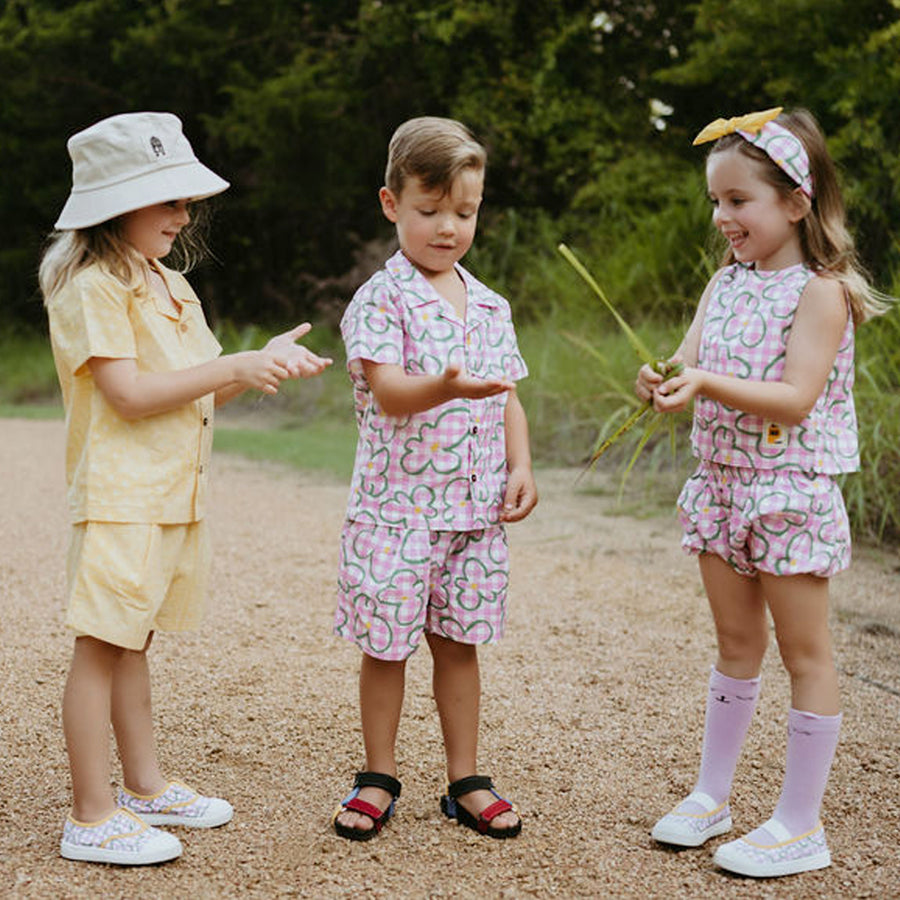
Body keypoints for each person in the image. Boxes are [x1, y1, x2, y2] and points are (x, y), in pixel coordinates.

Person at [40, 111, 333, 866]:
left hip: (170, 496)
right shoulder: (92, 287)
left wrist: (255, 363)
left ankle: (142, 785)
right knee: (101, 646)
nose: (184, 214)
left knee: (132, 642)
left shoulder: (170, 285)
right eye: (167, 199)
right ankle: (90, 813)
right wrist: (233, 365)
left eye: (184, 199)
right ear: (116, 204)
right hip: (120, 496)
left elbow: (195, 392)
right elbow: (132, 394)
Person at [637, 107, 888, 878]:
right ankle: (713, 795)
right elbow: (687, 360)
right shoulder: (724, 284)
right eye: (717, 202)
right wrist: (663, 379)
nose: (722, 217)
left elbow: (796, 396)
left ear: (795, 202)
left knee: (804, 652)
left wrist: (710, 381)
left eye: (738, 201)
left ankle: (800, 823)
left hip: (787, 495)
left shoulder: (823, 292)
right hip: (721, 488)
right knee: (736, 647)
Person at [331, 116, 538, 842]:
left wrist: (521, 464)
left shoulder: (489, 304)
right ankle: (378, 774)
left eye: (464, 212)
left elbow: (509, 392)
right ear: (392, 204)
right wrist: (444, 387)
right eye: (430, 211)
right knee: (386, 645)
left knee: (459, 641)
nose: (447, 227)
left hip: (472, 514)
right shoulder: (380, 299)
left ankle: (466, 778)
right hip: (396, 512)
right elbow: (389, 392)